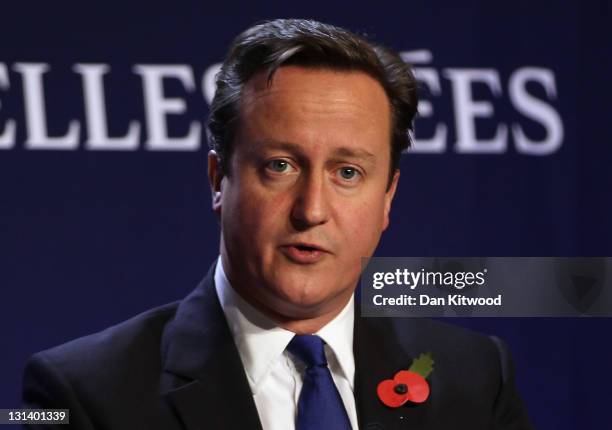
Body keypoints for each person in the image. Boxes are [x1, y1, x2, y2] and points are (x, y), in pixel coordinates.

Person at [22, 19, 532, 429]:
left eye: (347, 172)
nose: (311, 209)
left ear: (387, 199)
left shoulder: (476, 379)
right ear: (218, 179)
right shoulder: (82, 394)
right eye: (280, 166)